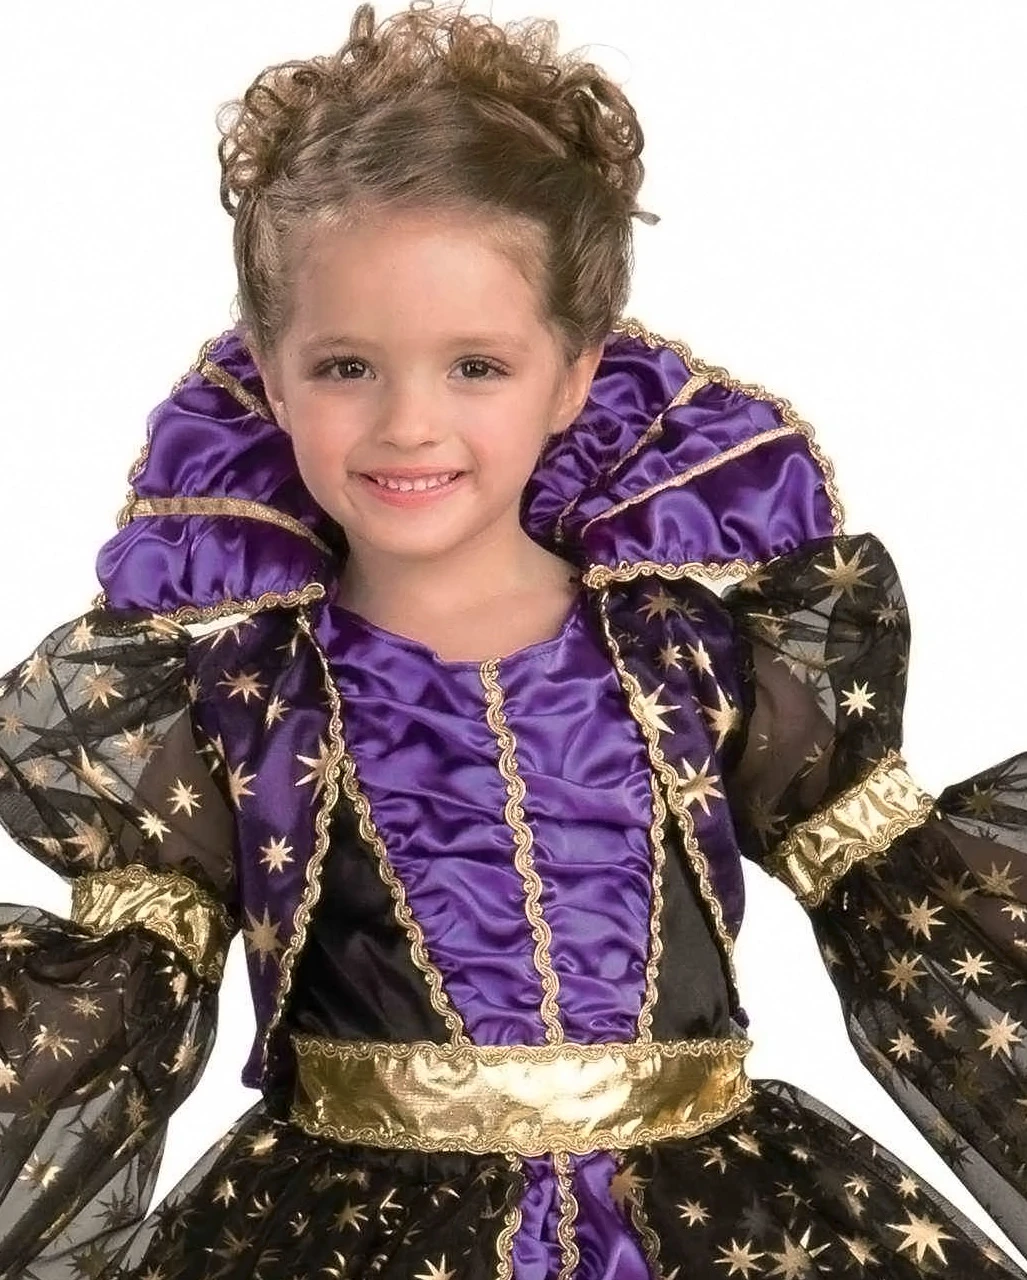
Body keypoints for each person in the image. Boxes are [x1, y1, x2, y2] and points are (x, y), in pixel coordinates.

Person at [1, 1, 1025, 1275]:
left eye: (475, 366)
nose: (407, 422)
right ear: (265, 370)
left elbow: (926, 921)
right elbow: (94, 1022)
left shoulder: (706, 659)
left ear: (575, 374)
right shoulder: (230, 703)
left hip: (709, 1225)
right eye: (346, 366)